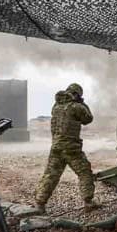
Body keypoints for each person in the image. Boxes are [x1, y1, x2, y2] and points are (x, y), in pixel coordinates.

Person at [34, 83, 98, 213]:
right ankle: (88, 201)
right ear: (77, 95)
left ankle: (40, 203)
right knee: (84, 173)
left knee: (51, 175)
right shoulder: (76, 107)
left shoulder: (56, 106)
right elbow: (88, 119)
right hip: (71, 148)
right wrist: (82, 103)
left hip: (56, 146)